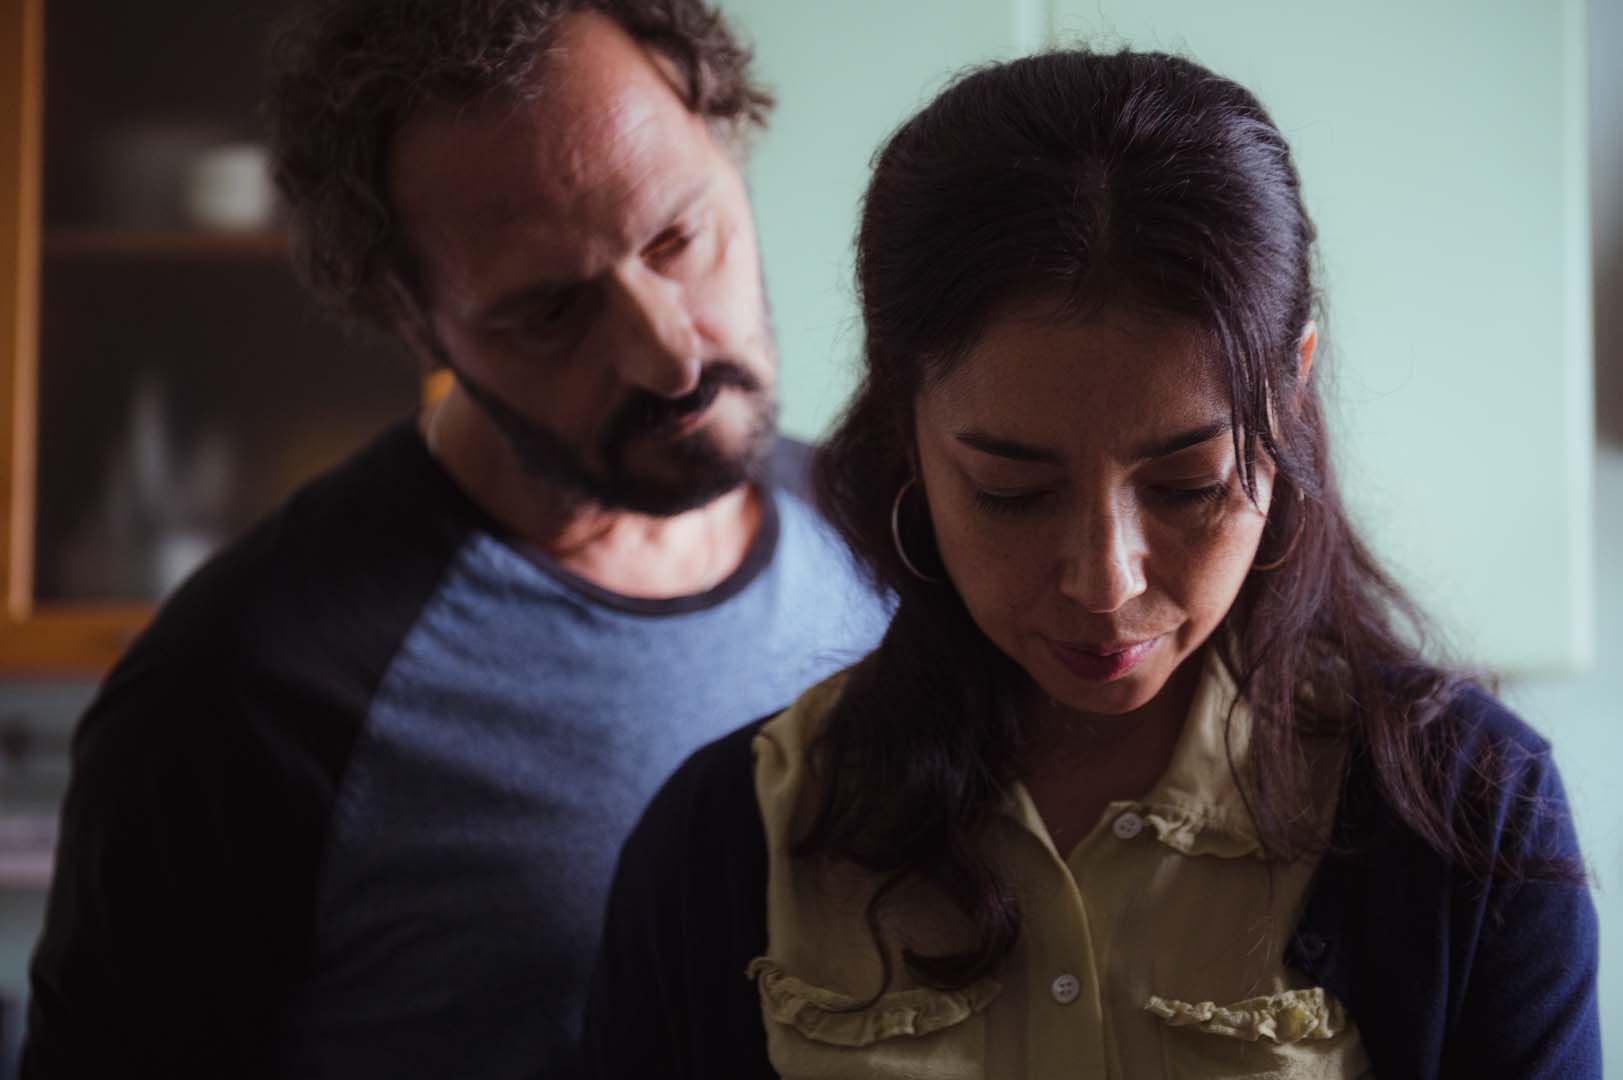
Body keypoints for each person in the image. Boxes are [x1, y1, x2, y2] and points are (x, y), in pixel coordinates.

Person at [588, 48, 1602, 1079]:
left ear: (1292, 394)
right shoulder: (726, 845)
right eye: (1012, 492)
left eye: (1189, 484)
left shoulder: (1466, 813)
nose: (1106, 584)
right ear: (904, 422)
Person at [21, 2, 890, 1077]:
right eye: (551, 312)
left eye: (677, 236)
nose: (670, 355)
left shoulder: (896, 531)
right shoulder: (242, 690)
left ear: (727, 140)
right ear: (411, 316)